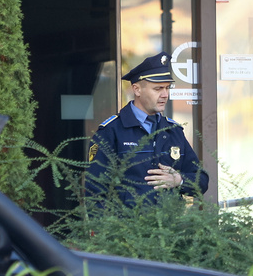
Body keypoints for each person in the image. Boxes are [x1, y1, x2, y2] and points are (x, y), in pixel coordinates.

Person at [86, 53, 208, 206]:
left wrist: (179, 180)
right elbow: (95, 192)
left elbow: (202, 180)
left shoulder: (173, 130)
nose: (165, 94)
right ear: (137, 89)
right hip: (127, 228)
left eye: (167, 88)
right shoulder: (111, 131)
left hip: (169, 228)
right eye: (158, 89)